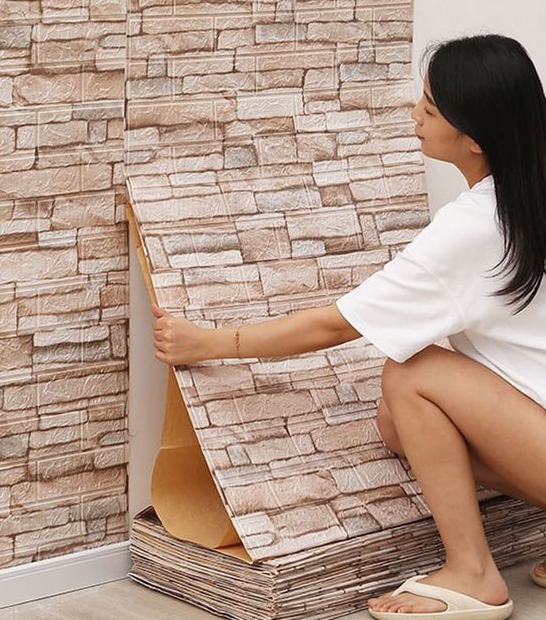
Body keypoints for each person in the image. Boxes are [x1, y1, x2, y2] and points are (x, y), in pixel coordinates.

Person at [150, 33, 546, 620]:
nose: (415, 114)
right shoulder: (527, 192)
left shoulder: (474, 228)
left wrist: (210, 343)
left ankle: (474, 574)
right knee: (399, 425)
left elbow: (334, 327)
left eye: (430, 108)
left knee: (413, 374)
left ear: (475, 140)